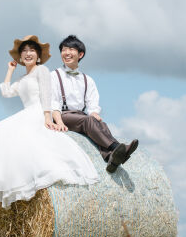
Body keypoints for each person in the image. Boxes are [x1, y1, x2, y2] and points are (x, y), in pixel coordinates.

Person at [0, 35, 99, 212]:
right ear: (19, 57)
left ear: (38, 56)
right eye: (24, 51)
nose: (28, 53)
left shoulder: (41, 71)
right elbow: (7, 92)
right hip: (26, 113)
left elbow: (47, 94)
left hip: (38, 112)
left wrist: (48, 117)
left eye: (32, 50)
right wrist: (10, 71)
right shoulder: (22, 79)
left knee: (3, 132)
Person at [50, 35, 139, 173]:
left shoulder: (88, 80)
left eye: (71, 49)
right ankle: (116, 147)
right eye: (63, 50)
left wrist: (94, 112)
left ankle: (111, 159)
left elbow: (92, 103)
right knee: (88, 121)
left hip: (81, 116)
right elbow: (53, 101)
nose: (66, 53)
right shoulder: (54, 75)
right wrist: (59, 121)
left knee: (101, 124)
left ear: (80, 54)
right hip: (63, 115)